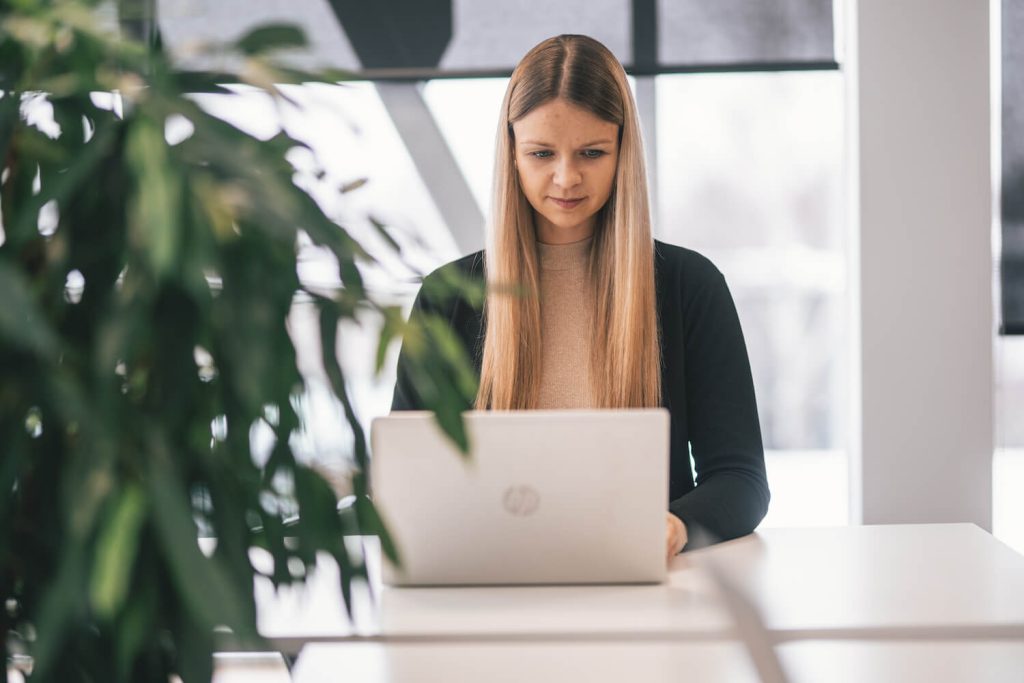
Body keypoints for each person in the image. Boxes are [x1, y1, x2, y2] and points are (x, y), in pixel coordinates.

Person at [390, 34, 769, 562]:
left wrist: (675, 526)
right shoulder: (446, 299)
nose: (566, 178)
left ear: (623, 151)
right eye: (541, 153)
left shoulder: (690, 287)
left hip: (647, 582)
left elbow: (741, 480)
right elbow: (409, 481)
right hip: (491, 575)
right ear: (512, 154)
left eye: (592, 153)